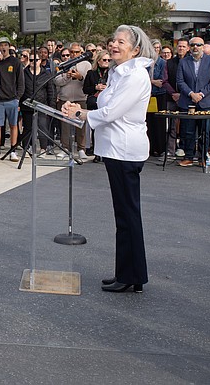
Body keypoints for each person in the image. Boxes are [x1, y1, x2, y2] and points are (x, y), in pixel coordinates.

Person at [62, 25, 157, 293]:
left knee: (128, 215)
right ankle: (128, 273)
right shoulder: (118, 73)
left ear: (136, 49)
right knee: (124, 215)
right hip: (115, 149)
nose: (114, 45)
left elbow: (111, 113)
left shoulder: (136, 76)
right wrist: (78, 109)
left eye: (121, 42)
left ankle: (132, 275)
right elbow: (102, 103)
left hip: (125, 150)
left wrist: (81, 114)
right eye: (113, 40)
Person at [176, 36, 210, 167]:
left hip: (207, 102)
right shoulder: (183, 62)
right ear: (189, 47)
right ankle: (189, 156)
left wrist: (201, 94)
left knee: (204, 131)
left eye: (199, 45)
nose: (196, 47)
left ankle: (203, 157)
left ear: (203, 46)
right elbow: (180, 81)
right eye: (193, 45)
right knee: (188, 131)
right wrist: (191, 94)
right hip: (188, 101)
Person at [54, 42, 90, 161]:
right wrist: (67, 76)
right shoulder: (63, 64)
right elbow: (56, 81)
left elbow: (89, 83)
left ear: (81, 53)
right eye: (72, 52)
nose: (74, 54)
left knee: (81, 126)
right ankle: (65, 148)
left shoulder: (86, 65)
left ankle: (81, 149)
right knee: (65, 127)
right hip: (65, 99)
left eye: (77, 52)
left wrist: (80, 77)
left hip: (80, 98)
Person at [0, 37, 24, 161]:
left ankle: (13, 150)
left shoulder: (15, 62)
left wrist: (18, 98)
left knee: (13, 125)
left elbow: (21, 82)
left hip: (12, 99)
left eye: (5, 45)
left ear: (9, 47)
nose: (3, 48)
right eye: (1, 45)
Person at [21, 50, 55, 157]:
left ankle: (43, 149)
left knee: (42, 128)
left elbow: (51, 91)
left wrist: (51, 106)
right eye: (31, 60)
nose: (33, 62)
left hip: (42, 105)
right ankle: (27, 148)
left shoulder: (46, 74)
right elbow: (21, 89)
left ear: (40, 61)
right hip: (27, 106)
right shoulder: (23, 73)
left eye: (36, 60)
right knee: (27, 128)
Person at [146, 40, 168, 157]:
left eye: (158, 48)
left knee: (159, 122)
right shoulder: (145, 63)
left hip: (159, 95)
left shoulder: (163, 63)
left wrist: (152, 82)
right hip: (147, 95)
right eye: (154, 47)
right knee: (148, 122)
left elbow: (162, 81)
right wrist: (152, 81)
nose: (156, 50)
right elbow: (143, 78)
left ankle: (160, 148)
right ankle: (149, 148)